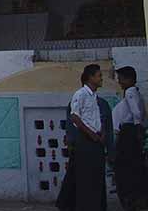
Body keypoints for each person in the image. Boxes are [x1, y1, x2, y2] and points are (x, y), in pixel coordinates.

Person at [57, 64, 111, 211]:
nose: (101, 78)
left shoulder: (94, 97)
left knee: (96, 178)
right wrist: (92, 135)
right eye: (99, 75)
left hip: (96, 141)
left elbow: (96, 119)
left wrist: (102, 133)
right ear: (90, 77)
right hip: (86, 142)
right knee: (86, 179)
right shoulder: (80, 94)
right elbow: (75, 117)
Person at [112, 66, 147, 211]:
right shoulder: (134, 93)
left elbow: (136, 112)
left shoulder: (130, 93)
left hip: (128, 133)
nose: (119, 82)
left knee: (126, 167)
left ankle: (132, 199)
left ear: (130, 79)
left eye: (121, 79)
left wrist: (137, 127)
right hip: (129, 132)